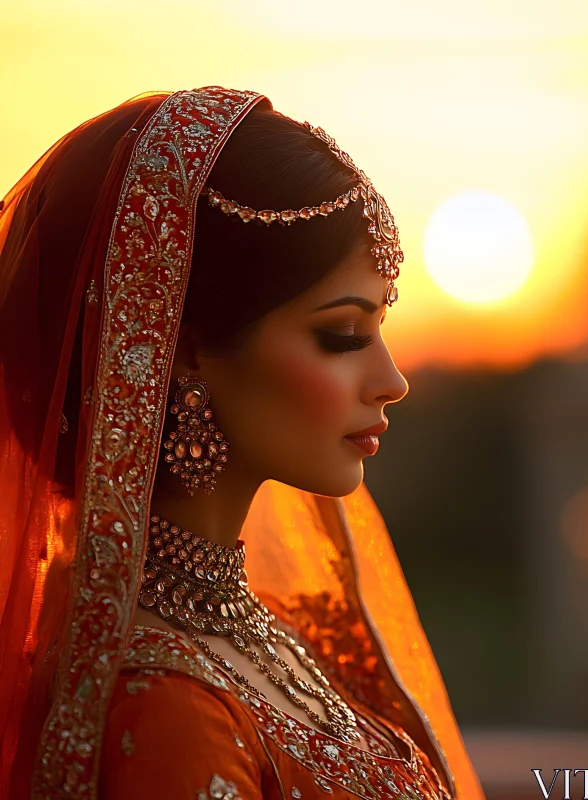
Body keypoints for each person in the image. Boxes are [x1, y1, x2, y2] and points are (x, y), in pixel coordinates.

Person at [0, 86, 486, 800]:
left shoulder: (260, 635)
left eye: (382, 328)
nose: (391, 381)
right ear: (187, 351)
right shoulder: (166, 703)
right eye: (342, 336)